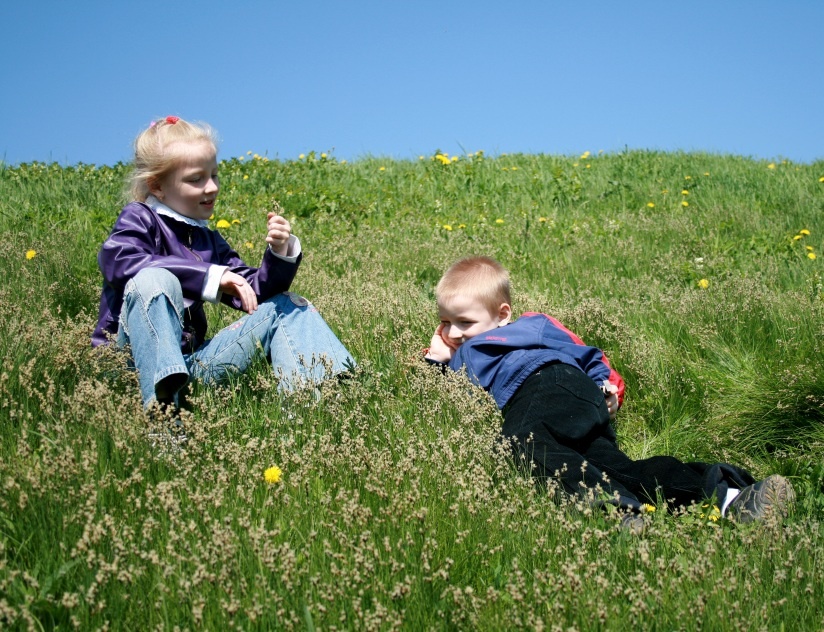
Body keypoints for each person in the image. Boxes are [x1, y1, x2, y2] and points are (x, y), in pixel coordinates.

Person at [424, 256, 794, 529]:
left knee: (521, 443)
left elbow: (587, 353)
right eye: (445, 322)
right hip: (572, 405)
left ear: (502, 314)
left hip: (546, 384)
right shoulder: (458, 351)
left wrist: (609, 384)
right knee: (618, 467)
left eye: (464, 322)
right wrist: (438, 361)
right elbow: (455, 403)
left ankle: (612, 510)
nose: (453, 333)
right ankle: (733, 497)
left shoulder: (529, 328)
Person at [92, 115, 355, 411]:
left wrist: (280, 253)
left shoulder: (208, 240)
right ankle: (163, 420)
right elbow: (120, 263)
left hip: (191, 367)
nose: (212, 187)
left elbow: (255, 294)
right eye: (196, 179)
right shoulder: (138, 218)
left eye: (214, 175)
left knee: (287, 306)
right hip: (130, 368)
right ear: (157, 186)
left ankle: (323, 410)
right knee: (154, 279)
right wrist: (211, 277)